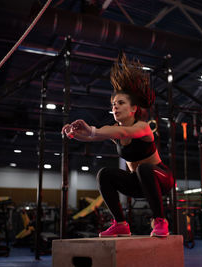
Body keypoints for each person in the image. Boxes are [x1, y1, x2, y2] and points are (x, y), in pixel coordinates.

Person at [61, 54, 174, 237]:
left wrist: (91, 130)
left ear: (133, 109)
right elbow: (92, 137)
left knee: (144, 169)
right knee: (104, 174)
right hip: (138, 184)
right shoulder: (114, 130)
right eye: (113, 104)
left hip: (161, 179)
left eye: (121, 103)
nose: (115, 107)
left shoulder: (143, 128)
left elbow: (123, 133)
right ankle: (120, 224)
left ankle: (161, 221)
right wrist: (73, 133)